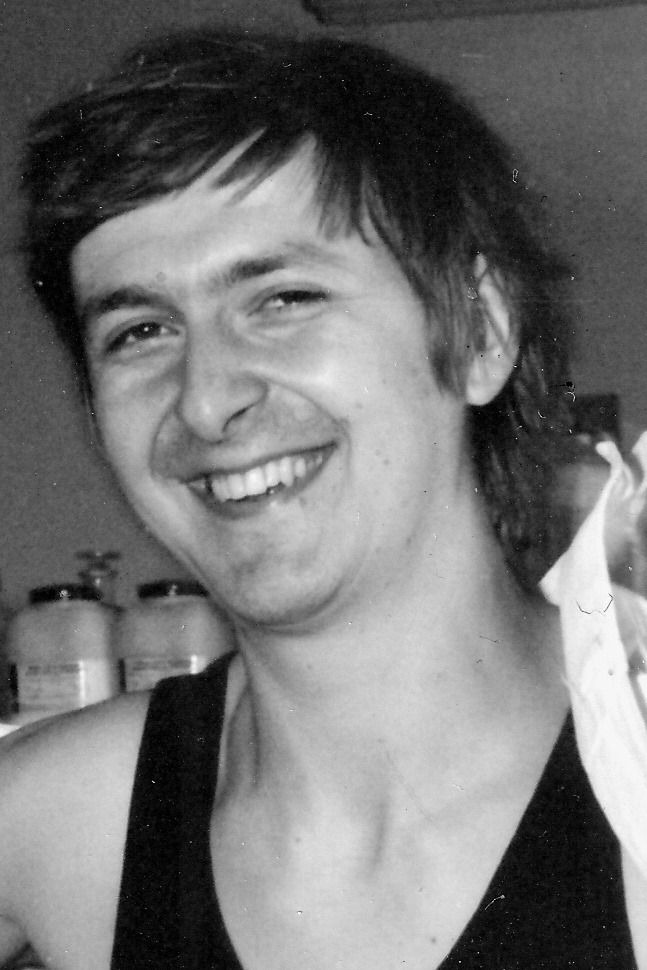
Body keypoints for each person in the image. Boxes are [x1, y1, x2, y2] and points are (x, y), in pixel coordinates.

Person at [0, 29, 645, 970]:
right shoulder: (58, 827)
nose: (206, 398)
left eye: (284, 299)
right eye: (140, 330)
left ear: (479, 330)